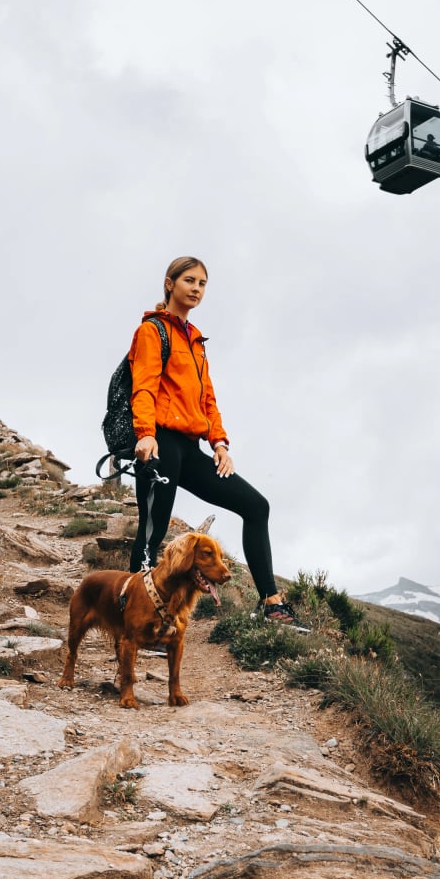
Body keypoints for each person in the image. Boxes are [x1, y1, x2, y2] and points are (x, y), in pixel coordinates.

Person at [128, 255, 295, 624]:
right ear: (170, 284)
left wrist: (219, 444)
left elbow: (207, 399)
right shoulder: (152, 331)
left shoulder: (196, 341)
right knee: (151, 532)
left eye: (202, 283)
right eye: (189, 280)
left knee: (256, 506)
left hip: (191, 448)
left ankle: (271, 604)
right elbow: (144, 387)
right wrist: (146, 434)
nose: (196, 289)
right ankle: (135, 618)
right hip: (160, 444)